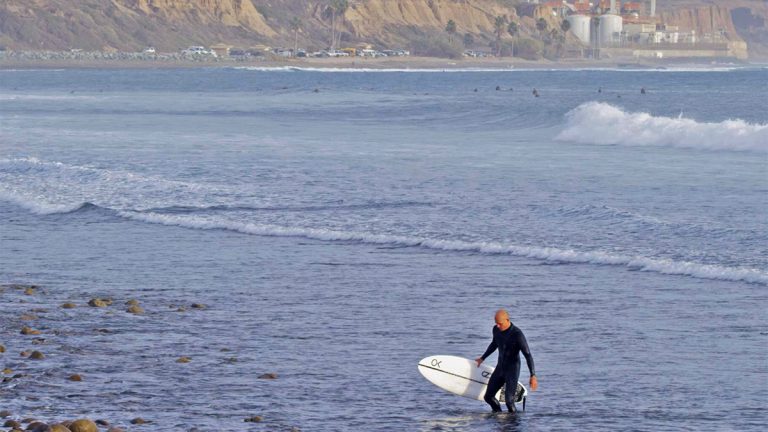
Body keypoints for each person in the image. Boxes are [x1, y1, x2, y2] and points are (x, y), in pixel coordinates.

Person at [475, 309, 537, 413]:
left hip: (512, 370)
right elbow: (494, 344)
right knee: (488, 397)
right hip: (500, 368)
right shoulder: (496, 329)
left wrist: (533, 375)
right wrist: (482, 358)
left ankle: (514, 424)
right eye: (496, 323)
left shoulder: (517, 334)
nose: (497, 326)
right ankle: (498, 416)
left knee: (509, 402)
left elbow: (528, 355)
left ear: (507, 320)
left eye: (500, 323)